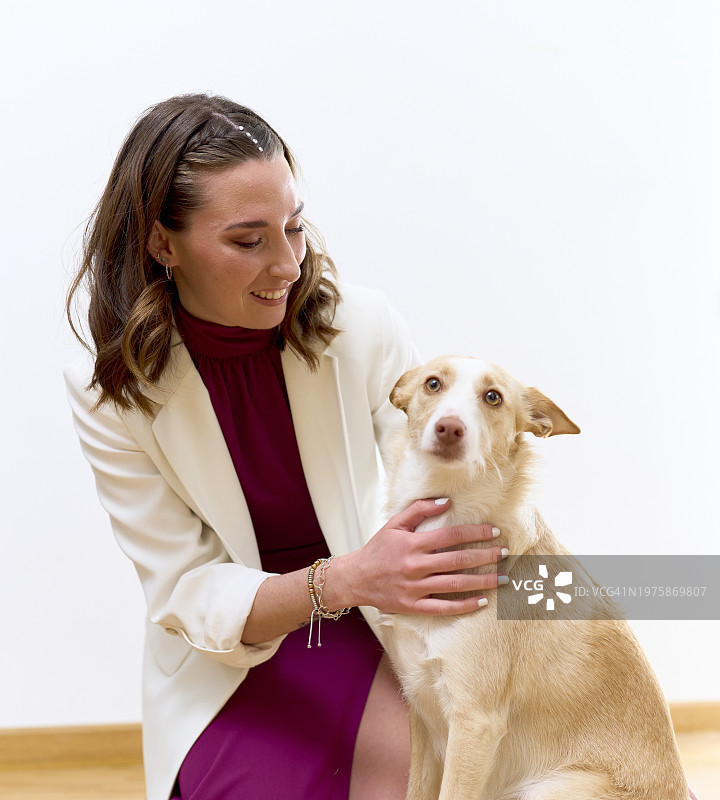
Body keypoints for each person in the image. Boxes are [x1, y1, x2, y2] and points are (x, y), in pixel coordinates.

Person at [64, 93, 505, 800]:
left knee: (473, 770)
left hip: (383, 621)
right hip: (235, 654)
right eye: (249, 241)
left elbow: (451, 496)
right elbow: (183, 589)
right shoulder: (111, 394)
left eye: (294, 228)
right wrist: (342, 581)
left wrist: (567, 611)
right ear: (162, 244)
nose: (289, 266)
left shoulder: (362, 327)